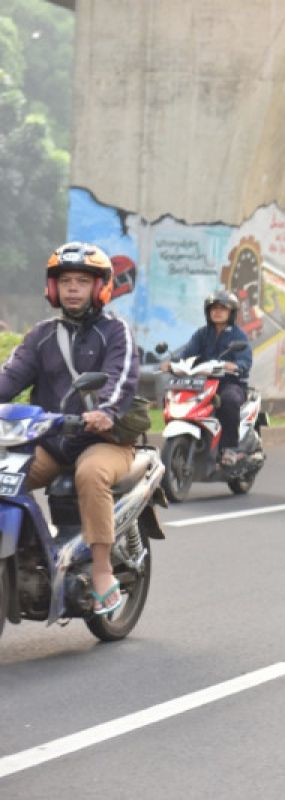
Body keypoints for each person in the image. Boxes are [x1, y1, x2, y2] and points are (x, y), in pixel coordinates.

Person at [0, 242, 138, 615]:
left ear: (100, 287)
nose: (72, 288)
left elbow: (120, 380)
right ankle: (28, 552)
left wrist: (106, 411)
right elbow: (9, 378)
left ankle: (101, 569)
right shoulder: (41, 335)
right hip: (50, 439)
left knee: (91, 474)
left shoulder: (116, 332)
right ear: (53, 288)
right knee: (4, 476)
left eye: (81, 280)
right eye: (65, 281)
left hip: (103, 440)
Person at [162, 290, 252, 466]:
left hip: (230, 383)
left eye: (222, 308)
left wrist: (235, 366)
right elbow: (186, 353)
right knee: (175, 395)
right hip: (202, 383)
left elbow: (245, 360)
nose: (217, 312)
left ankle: (230, 448)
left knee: (229, 400)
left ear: (231, 312)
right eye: (214, 308)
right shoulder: (202, 333)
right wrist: (171, 363)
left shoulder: (238, 335)